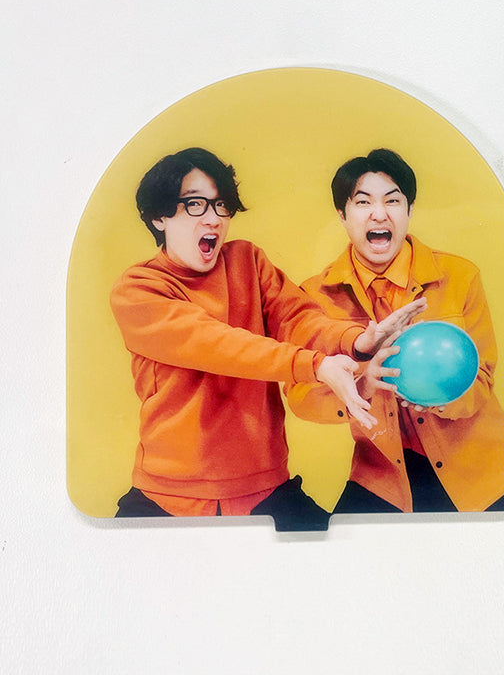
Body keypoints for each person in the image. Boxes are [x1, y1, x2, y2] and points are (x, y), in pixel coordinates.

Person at [110, 147, 424, 528]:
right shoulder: (138, 289)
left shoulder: (247, 261)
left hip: (267, 489)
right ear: (159, 216)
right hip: (170, 497)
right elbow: (217, 345)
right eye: (195, 205)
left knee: (340, 555)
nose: (213, 219)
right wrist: (316, 366)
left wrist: (356, 341)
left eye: (220, 205)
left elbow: (298, 318)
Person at [285, 148, 504, 513]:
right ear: (342, 215)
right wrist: (361, 385)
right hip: (383, 477)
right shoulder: (314, 297)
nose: (379, 213)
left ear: (409, 210)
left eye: (392, 200)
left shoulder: (459, 276)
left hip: (484, 473)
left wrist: (441, 397)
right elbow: (300, 396)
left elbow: (482, 378)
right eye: (363, 202)